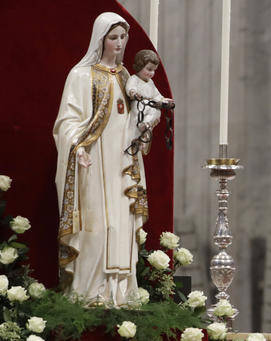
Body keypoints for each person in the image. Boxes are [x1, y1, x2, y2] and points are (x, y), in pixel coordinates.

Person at [53, 12, 148, 306]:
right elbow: (66, 122)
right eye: (113, 37)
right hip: (92, 161)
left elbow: (135, 116)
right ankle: (90, 292)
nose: (119, 44)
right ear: (101, 39)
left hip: (121, 162)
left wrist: (145, 125)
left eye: (123, 37)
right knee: (95, 225)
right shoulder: (81, 75)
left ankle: (119, 293)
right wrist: (77, 147)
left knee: (120, 223)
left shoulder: (125, 78)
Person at [125, 49, 173, 144]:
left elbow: (156, 94)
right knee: (139, 111)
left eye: (154, 70)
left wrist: (163, 100)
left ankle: (146, 125)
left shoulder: (150, 82)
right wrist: (133, 93)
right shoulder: (134, 79)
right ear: (140, 66)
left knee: (157, 112)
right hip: (139, 104)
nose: (152, 73)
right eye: (149, 69)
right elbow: (130, 87)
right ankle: (141, 125)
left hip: (150, 105)